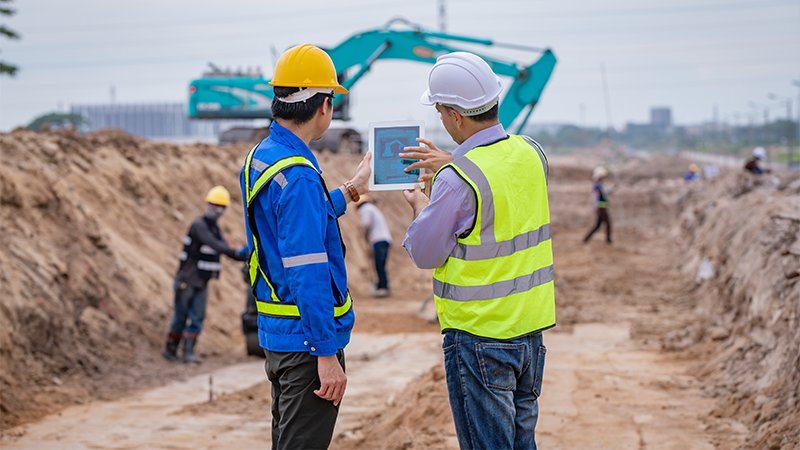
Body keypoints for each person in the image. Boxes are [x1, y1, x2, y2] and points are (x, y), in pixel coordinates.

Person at [400, 52, 556, 450]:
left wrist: (422, 206)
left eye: (440, 110)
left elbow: (425, 252)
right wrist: (453, 160)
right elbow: (499, 172)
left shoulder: (456, 180)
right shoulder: (532, 154)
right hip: (529, 333)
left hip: (478, 338)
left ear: (454, 115)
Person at [239, 43, 371, 450]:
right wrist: (326, 353)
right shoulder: (297, 174)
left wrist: (349, 191)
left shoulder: (264, 156)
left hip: (282, 335)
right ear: (323, 106)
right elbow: (308, 269)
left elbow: (292, 226)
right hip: (306, 345)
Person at [162, 186, 248, 364]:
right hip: (187, 280)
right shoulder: (199, 226)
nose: (217, 209)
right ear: (208, 204)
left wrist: (244, 254)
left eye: (220, 206)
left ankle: (188, 352)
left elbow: (225, 248)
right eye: (214, 205)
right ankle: (171, 350)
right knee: (181, 316)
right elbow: (216, 245)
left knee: (197, 317)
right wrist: (237, 252)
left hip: (201, 281)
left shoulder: (213, 228)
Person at [355, 195, 393, 297]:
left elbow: (366, 224)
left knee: (379, 264)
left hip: (379, 240)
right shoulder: (373, 209)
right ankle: (381, 285)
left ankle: (383, 287)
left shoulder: (366, 209)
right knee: (380, 264)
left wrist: (362, 234)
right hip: (383, 239)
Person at [583, 165, 612, 244]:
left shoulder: (599, 185)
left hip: (602, 207)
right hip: (601, 208)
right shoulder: (597, 185)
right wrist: (596, 207)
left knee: (598, 225)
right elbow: (596, 196)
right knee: (607, 224)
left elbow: (604, 193)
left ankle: (586, 239)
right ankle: (608, 240)